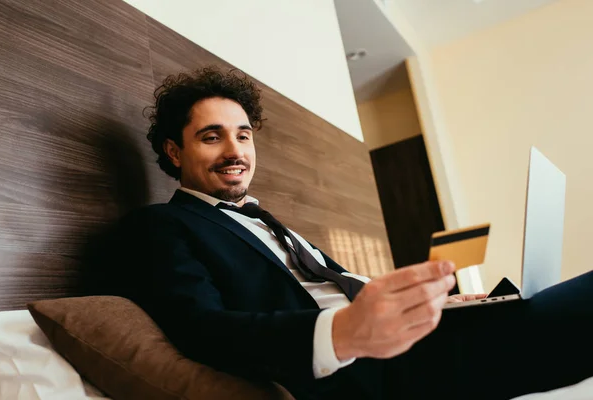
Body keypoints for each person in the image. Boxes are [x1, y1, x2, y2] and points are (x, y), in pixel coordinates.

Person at [106, 66, 593, 399]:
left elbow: (339, 285)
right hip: (364, 374)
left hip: (412, 341)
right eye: (211, 137)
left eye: (243, 134)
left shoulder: (273, 226)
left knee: (534, 305)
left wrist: (429, 305)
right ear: (173, 152)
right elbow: (202, 330)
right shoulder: (160, 227)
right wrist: (346, 333)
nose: (235, 150)